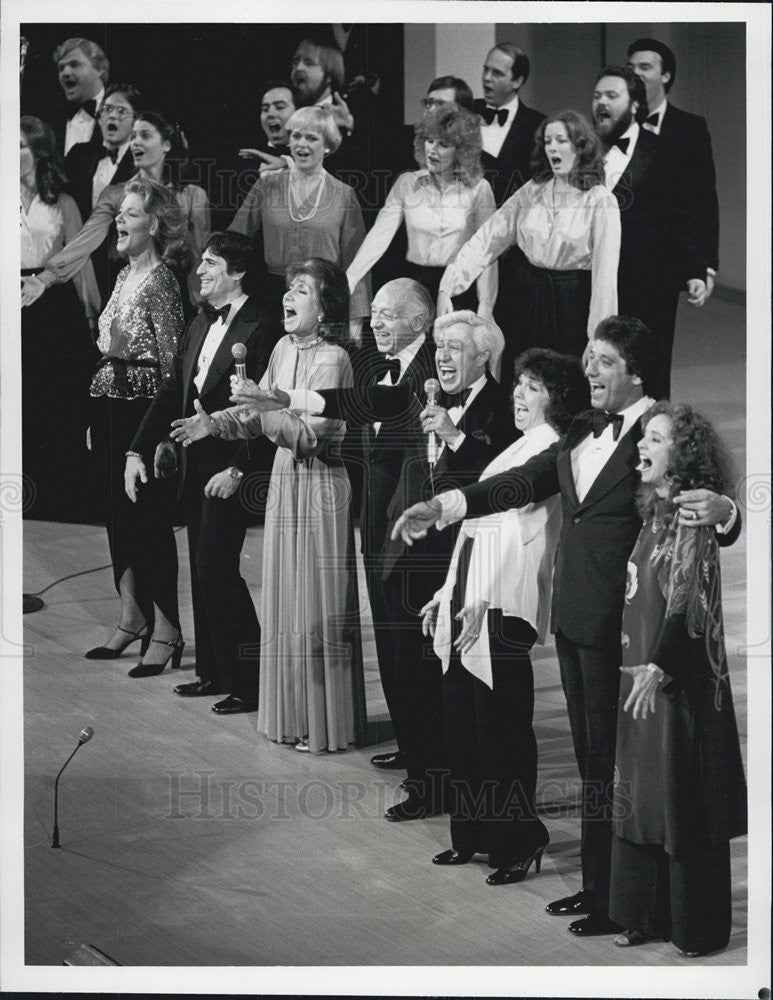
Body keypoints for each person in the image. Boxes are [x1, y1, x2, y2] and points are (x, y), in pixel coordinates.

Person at [392, 315, 740, 937]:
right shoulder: (581, 429)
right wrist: (447, 504)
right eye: (588, 358)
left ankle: (624, 899)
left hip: (632, 626)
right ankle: (599, 886)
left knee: (622, 763)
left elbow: (710, 500)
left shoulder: (661, 431)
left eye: (604, 361)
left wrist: (728, 512)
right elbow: (523, 481)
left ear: (635, 373)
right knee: (592, 762)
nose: (590, 370)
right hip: (577, 617)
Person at [233, 295, 514, 819]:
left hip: (441, 559)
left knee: (426, 670)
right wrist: (279, 395)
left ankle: (436, 783)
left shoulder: (491, 404)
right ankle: (420, 762)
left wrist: (452, 437)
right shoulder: (411, 385)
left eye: (455, 349)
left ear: (482, 357)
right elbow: (355, 403)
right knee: (400, 661)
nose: (445, 358)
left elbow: (496, 473)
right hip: (391, 544)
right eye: (442, 348)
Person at [170, 258, 366, 753]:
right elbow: (257, 415)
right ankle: (288, 716)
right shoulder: (280, 346)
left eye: (301, 290)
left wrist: (264, 407)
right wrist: (214, 423)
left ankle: (323, 723)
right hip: (284, 482)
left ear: (326, 308)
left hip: (320, 487)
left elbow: (308, 438)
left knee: (313, 603)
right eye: (288, 288)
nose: (288, 297)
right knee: (283, 599)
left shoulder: (335, 359)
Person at [425, 348, 586, 884]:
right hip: (466, 597)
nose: (518, 394)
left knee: (502, 730)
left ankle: (519, 839)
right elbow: (476, 530)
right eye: (518, 383)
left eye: (533, 387)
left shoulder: (557, 451)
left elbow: (508, 520)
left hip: (502, 601)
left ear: (557, 399)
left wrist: (475, 593)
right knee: (462, 724)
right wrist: (446, 591)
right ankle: (472, 834)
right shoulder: (519, 445)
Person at [609, 402, 747, 956]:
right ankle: (647, 912)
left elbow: (689, 600)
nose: (643, 444)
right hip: (639, 673)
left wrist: (660, 664)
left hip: (674, 681)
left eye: (657, 438)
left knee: (679, 794)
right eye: (644, 434)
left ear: (683, 456)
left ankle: (695, 925)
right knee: (642, 791)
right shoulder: (653, 509)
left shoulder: (691, 515)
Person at [126, 231, 282, 714]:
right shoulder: (198, 323)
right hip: (196, 461)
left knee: (217, 565)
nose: (200, 271)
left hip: (233, 464)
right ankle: (213, 672)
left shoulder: (263, 326)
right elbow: (173, 390)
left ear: (237, 272)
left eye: (211, 263)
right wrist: (137, 449)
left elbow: (264, 405)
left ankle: (253, 681)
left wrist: (239, 467)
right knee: (201, 566)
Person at [85, 178, 187, 677]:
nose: (120, 222)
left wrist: (161, 436)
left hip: (143, 416)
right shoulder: (122, 275)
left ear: (155, 224)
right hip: (109, 409)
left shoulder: (163, 281)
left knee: (147, 523)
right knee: (116, 521)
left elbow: (173, 369)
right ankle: (131, 617)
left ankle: (166, 629)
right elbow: (107, 351)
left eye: (130, 214)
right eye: (119, 214)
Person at [439, 109, 620, 361]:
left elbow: (605, 277)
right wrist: (449, 285)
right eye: (547, 142)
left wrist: (598, 338)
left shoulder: (600, 200)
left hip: (572, 306)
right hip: (526, 299)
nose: (552, 148)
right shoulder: (532, 191)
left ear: (581, 146)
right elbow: (489, 238)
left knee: (565, 381)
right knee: (523, 379)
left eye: (560, 140)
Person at [22, 110, 211, 320]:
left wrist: (205, 303)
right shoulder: (115, 195)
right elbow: (84, 242)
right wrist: (45, 278)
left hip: (179, 301)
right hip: (129, 301)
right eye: (133, 137)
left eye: (145, 136)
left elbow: (199, 255)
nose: (135, 143)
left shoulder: (193, 196)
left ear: (166, 144)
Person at [592, 67, 706, 398]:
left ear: (635, 105)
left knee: (647, 372)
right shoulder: (582, 149)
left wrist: (695, 269)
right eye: (597, 95)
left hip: (649, 285)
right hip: (594, 280)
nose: (602, 102)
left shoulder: (665, 149)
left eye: (612, 96)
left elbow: (686, 212)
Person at [20, 115, 100, 521]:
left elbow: (77, 259)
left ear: (37, 153)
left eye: (19, 146)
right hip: (11, 299)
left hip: (52, 304)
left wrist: (92, 314)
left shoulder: (61, 201)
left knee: (56, 396)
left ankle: (55, 493)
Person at [229, 105, 370, 333]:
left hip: (323, 300)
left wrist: (355, 318)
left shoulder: (344, 194)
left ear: (327, 146)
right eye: (296, 136)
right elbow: (234, 240)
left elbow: (356, 261)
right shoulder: (267, 185)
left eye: (311, 138)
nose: (301, 144)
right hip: (271, 301)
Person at [345, 105, 497, 315]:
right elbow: (379, 236)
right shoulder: (407, 183)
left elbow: (487, 252)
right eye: (429, 140)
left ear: (461, 151)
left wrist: (486, 306)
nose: (432, 149)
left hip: (459, 289)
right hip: (416, 286)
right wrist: (351, 278)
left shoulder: (479, 189)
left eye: (443, 144)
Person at [627, 38, 719, 301]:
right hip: (617, 261)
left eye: (645, 67)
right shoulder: (613, 125)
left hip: (663, 265)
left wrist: (706, 267)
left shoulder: (690, 128)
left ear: (665, 76)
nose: (635, 73)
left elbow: (704, 200)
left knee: (656, 341)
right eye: (630, 66)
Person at [474, 43, 545, 205]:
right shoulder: (466, 112)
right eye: (486, 69)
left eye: (497, 73)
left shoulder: (538, 125)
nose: (486, 78)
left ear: (517, 81)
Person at [64, 82, 140, 223]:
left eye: (122, 111)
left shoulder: (141, 161)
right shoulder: (78, 154)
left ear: (135, 122)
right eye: (108, 109)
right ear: (99, 118)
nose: (113, 116)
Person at [53, 37, 108, 154]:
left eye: (74, 64)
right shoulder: (53, 119)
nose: (65, 73)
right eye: (61, 68)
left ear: (99, 70)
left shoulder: (122, 113)